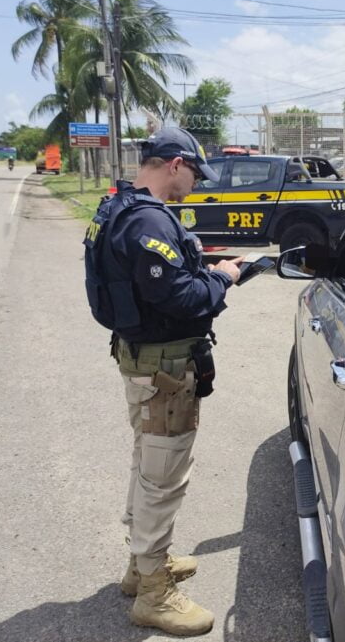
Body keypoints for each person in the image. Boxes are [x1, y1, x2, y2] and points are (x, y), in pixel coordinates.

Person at [83, 127, 243, 636]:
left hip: (141, 360)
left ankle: (142, 566)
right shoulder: (149, 219)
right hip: (165, 370)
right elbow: (182, 299)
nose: (196, 184)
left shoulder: (117, 207)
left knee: (147, 464)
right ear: (175, 164)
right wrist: (224, 277)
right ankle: (154, 591)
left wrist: (206, 268)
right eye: (195, 173)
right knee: (163, 477)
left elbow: (151, 285)